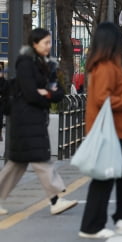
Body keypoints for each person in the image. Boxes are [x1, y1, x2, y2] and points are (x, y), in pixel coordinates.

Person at [78, 22, 122, 239]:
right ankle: (102, 223)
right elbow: (101, 99)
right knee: (120, 177)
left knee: (111, 178)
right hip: (109, 132)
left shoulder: (106, 66)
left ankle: (109, 221)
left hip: (112, 132)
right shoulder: (106, 68)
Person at [0, 28, 77, 216]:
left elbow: (57, 92)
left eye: (50, 42)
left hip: (33, 119)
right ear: (34, 44)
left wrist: (47, 94)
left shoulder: (48, 65)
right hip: (25, 119)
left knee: (16, 165)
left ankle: (55, 200)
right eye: (45, 43)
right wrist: (44, 96)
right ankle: (56, 199)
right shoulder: (25, 63)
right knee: (41, 160)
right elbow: (30, 93)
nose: (48, 46)